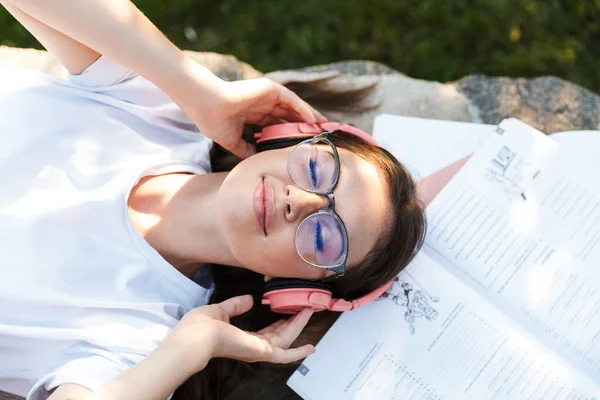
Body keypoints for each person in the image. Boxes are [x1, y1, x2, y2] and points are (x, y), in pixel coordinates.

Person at [0, 1, 426, 400]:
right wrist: (196, 86)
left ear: (297, 291)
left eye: (323, 238)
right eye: (317, 170)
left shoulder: (144, 339)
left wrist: (191, 349)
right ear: (289, 137)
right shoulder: (161, 113)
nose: (301, 201)